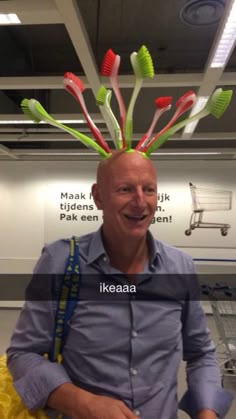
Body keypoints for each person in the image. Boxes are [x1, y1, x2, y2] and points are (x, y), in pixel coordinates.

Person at [7, 150, 233, 419]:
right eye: (125, 189)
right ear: (98, 196)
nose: (140, 202)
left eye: (148, 189)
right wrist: (82, 402)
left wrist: (207, 411)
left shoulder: (180, 267)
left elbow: (200, 354)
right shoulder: (60, 263)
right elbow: (23, 353)